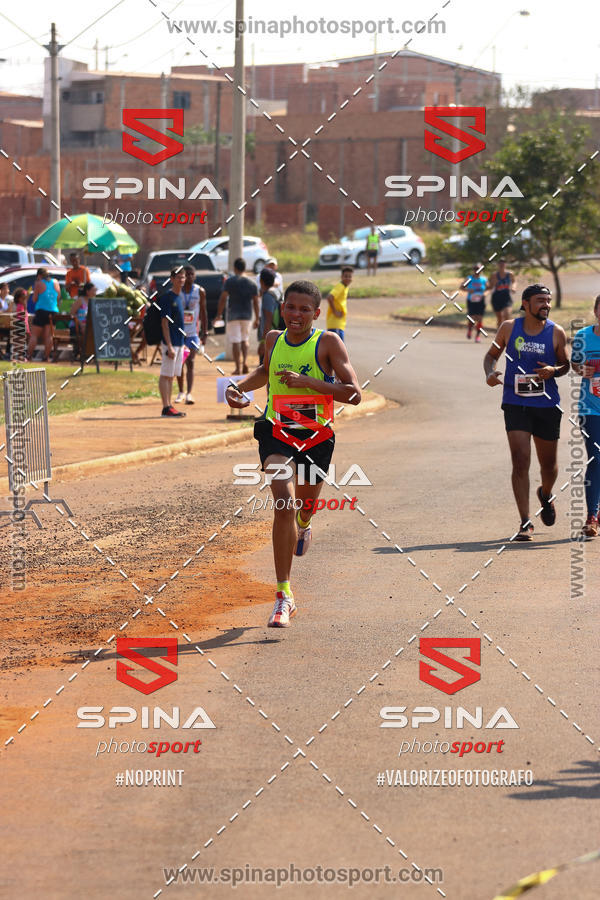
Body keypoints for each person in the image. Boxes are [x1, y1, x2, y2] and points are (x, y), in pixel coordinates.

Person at [225, 280, 361, 627]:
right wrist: (237, 388)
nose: (295, 315)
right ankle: (284, 595)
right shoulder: (273, 338)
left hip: (316, 436)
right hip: (277, 432)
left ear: (317, 314)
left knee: (303, 507)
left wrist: (310, 383)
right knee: (282, 500)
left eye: (304, 310)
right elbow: (263, 370)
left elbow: (354, 393)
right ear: (281, 308)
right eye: (290, 307)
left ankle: (305, 524)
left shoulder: (328, 342)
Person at [483, 284, 570, 541]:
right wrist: (489, 372)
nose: (546, 305)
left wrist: (554, 371)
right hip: (515, 401)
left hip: (546, 404)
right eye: (540, 300)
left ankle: (545, 493)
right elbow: (490, 357)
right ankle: (525, 521)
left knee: (549, 466)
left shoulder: (557, 332)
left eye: (548, 300)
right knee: (520, 460)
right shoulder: (509, 328)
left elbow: (565, 365)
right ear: (525, 303)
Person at [571, 295, 600, 537]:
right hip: (590, 409)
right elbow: (575, 364)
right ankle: (592, 516)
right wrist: (582, 369)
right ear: (595, 311)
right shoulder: (583, 337)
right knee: (596, 459)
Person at [216, 257, 259, 375]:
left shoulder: (230, 282)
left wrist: (219, 315)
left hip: (233, 315)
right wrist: (257, 318)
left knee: (235, 341)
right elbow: (255, 301)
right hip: (247, 315)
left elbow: (223, 298)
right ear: (244, 268)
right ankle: (244, 362)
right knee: (245, 340)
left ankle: (237, 367)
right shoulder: (252, 283)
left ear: (235, 268)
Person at [175, 265, 207, 405]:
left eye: (191, 274)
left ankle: (189, 393)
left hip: (193, 333)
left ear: (195, 276)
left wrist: (205, 332)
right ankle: (181, 392)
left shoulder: (199, 291)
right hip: (179, 333)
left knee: (191, 362)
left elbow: (204, 313)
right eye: (186, 275)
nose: (189, 277)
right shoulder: (177, 291)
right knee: (180, 363)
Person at [159, 268, 186, 418]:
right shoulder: (168, 298)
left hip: (179, 342)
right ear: (172, 279)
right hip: (170, 342)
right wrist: (168, 345)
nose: (181, 280)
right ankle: (166, 406)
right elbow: (164, 323)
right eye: (178, 278)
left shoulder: (179, 297)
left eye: (183, 278)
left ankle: (169, 405)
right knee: (166, 374)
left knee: (172, 375)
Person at [27, 268, 60, 361]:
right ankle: (46, 357)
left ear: (39, 275)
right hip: (53, 311)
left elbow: (34, 299)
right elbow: (58, 296)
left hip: (41, 311)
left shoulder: (39, 283)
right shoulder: (56, 282)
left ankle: (28, 356)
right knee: (49, 336)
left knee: (34, 335)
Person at [256, 267, 280, 365]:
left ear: (261, 281)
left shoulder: (267, 296)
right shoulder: (276, 292)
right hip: (277, 334)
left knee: (264, 368)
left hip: (269, 338)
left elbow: (268, 320)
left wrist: (263, 342)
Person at [69, 281, 96, 360]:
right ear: (87, 291)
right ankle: (85, 353)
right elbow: (72, 313)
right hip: (77, 326)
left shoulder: (93, 301)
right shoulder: (80, 300)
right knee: (86, 330)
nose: (95, 292)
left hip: (89, 325)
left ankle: (91, 353)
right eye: (93, 290)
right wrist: (80, 323)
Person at [326, 266, 353, 342]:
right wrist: (335, 311)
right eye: (346, 276)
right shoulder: (340, 286)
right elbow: (329, 297)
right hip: (335, 323)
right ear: (341, 277)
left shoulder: (345, 287)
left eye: (350, 276)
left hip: (339, 323)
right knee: (338, 349)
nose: (348, 278)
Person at [461, 263, 487, 342]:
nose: (477, 270)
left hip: (480, 301)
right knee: (472, 318)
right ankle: (470, 330)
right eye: (475, 269)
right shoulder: (469, 279)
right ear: (473, 270)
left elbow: (489, 288)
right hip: (471, 300)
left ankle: (477, 336)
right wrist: (468, 290)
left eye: (479, 269)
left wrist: (486, 293)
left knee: (480, 319)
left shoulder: (484, 279)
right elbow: (462, 287)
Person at [488, 258, 516, 328]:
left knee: (507, 315)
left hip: (506, 297)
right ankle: (499, 335)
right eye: (500, 263)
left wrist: (513, 287)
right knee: (499, 318)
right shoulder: (494, 275)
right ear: (498, 265)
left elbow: (514, 282)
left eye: (503, 262)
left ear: (505, 264)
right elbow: (490, 286)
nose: (502, 264)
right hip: (496, 297)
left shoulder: (510, 274)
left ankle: (508, 335)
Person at [10, 288, 29, 361]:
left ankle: (20, 356)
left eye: (25, 298)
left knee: (21, 342)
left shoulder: (22, 305)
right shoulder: (20, 306)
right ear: (18, 299)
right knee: (20, 341)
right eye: (23, 298)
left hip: (21, 324)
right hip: (20, 323)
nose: (24, 300)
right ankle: (18, 357)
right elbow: (22, 315)